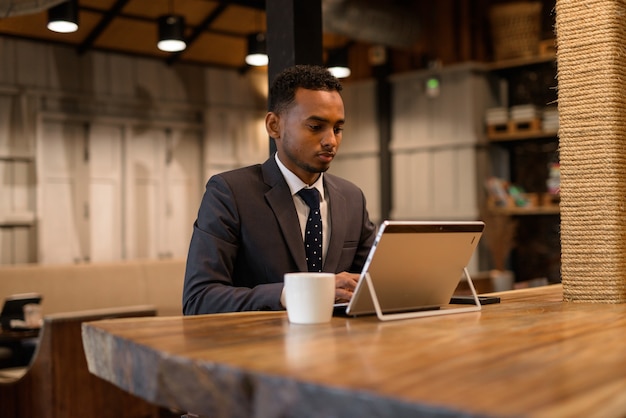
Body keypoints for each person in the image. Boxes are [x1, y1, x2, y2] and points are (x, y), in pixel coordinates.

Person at [183, 64, 377, 314]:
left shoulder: (352, 198)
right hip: (262, 348)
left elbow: (374, 283)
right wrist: (300, 293)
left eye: (338, 129)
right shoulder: (230, 193)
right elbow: (199, 299)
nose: (331, 141)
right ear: (274, 125)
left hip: (338, 347)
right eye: (316, 127)